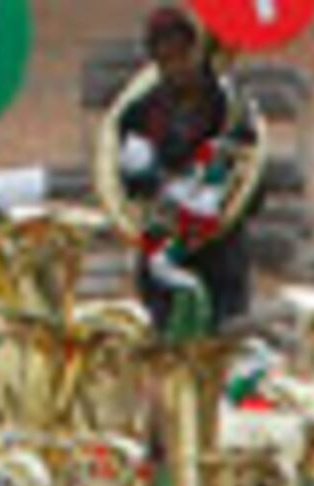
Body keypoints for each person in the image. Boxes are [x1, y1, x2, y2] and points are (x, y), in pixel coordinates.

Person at [112, 6, 260, 332]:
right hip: (165, 254)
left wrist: (214, 197)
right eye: (166, 61)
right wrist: (155, 185)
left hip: (222, 256)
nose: (177, 68)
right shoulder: (137, 114)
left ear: (196, 50)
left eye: (182, 56)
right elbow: (129, 189)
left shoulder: (229, 106)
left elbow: (255, 178)